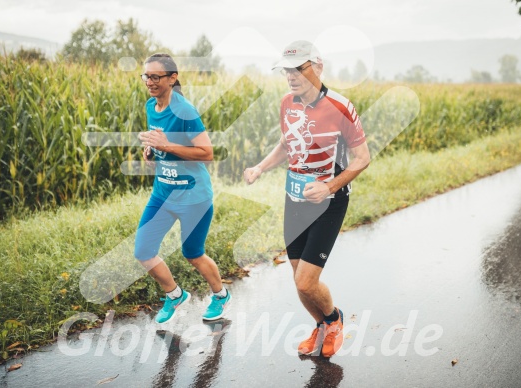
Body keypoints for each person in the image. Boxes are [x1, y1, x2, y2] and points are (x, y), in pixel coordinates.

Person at [244, 41, 370, 357]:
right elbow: (288, 144)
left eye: (299, 68)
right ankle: (320, 326)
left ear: (318, 66)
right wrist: (261, 166)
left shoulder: (341, 106)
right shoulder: (287, 103)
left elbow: (362, 158)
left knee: (306, 283)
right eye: (287, 70)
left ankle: (334, 320)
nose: (291, 76)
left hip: (329, 202)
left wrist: (329, 187)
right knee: (298, 277)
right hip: (294, 199)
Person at [135, 53, 231, 324]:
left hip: (193, 197)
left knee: (193, 253)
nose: (149, 82)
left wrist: (165, 146)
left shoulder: (185, 110)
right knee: (143, 251)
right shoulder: (150, 107)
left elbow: (206, 152)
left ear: (172, 77)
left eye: (155, 77)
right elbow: (161, 142)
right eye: (146, 76)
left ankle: (221, 295)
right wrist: (153, 149)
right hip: (163, 194)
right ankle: (175, 294)